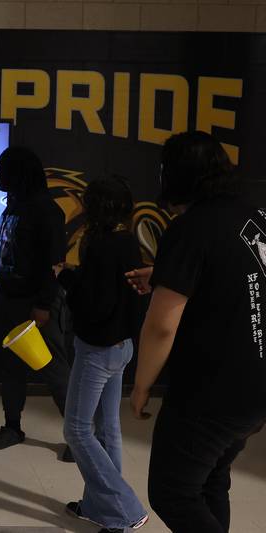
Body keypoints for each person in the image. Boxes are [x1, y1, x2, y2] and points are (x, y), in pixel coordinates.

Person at [131, 131, 266, 532]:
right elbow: (238, 275)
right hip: (255, 389)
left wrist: (140, 387)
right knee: (209, 482)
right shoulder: (254, 216)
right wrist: (167, 275)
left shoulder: (189, 228)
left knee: (172, 491)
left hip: (212, 393)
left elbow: (160, 327)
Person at [57, 177, 149, 533]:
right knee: (107, 429)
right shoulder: (128, 243)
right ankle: (101, 508)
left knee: (77, 429)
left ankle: (125, 509)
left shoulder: (99, 246)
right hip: (122, 347)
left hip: (97, 349)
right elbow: (119, 293)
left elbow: (95, 304)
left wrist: (66, 280)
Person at [0, 146, 74, 461]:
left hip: (37, 304)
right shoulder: (12, 208)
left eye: (1, 168)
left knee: (55, 371)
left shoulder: (46, 212)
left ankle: (79, 439)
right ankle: (12, 427)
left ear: (17, 173)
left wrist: (44, 305)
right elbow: (4, 257)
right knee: (10, 368)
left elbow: (55, 264)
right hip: (8, 299)